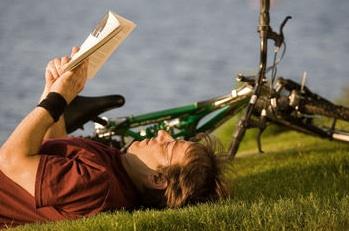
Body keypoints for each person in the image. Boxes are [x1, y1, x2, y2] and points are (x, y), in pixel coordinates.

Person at [0, 48, 228, 228]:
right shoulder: (117, 169)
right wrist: (51, 89)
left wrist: (58, 98)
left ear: (157, 179)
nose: (162, 133)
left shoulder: (96, 186)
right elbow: (50, 147)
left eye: (168, 145)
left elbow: (10, 160)